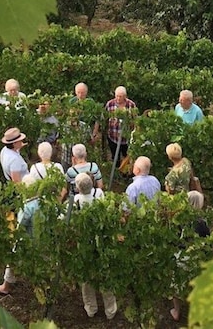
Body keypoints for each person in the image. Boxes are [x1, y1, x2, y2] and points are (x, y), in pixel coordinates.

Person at [73, 174, 116, 319]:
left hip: (84, 243)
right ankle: (110, 310)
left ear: (78, 187)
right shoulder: (99, 194)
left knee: (86, 277)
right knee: (105, 274)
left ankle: (91, 308)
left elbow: (68, 220)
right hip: (101, 241)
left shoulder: (76, 201)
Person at [0, 175, 42, 296]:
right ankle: (42, 286)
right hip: (42, 239)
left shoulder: (28, 206)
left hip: (28, 239)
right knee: (42, 262)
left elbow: (20, 227)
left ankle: (6, 286)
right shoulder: (44, 201)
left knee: (12, 260)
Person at [169, 190, 209, 321]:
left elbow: (173, 239)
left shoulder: (178, 219)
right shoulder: (202, 223)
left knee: (176, 284)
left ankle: (176, 311)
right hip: (195, 257)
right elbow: (206, 242)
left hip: (180, 256)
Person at [104, 86, 137, 168]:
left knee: (127, 158)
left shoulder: (131, 105)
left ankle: (127, 175)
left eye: (120, 96)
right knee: (115, 158)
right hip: (113, 137)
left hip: (127, 139)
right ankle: (116, 173)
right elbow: (104, 118)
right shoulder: (110, 104)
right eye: (117, 96)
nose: (118, 98)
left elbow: (135, 120)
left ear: (125, 96)